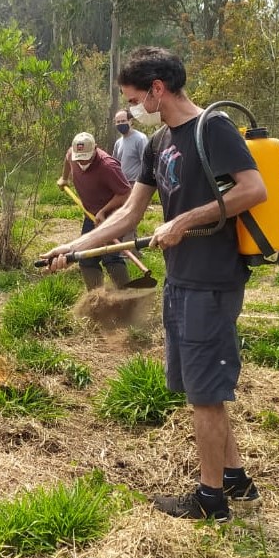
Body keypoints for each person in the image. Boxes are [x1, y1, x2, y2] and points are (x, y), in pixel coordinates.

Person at [42, 46, 266, 521]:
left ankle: (210, 501)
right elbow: (128, 212)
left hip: (212, 278)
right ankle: (234, 478)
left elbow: (254, 189)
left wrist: (184, 220)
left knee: (204, 395)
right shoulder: (158, 142)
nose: (133, 108)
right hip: (181, 279)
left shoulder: (212, 128)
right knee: (199, 386)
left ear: (157, 89)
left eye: (135, 97)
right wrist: (71, 248)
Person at [55, 131, 132, 290]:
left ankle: (127, 299)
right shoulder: (73, 154)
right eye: (79, 158)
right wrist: (64, 178)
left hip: (112, 217)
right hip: (90, 215)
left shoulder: (108, 166)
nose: (82, 161)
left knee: (111, 256)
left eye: (86, 157)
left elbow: (126, 193)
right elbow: (68, 158)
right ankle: (97, 299)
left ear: (95, 149)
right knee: (86, 258)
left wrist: (104, 211)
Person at [112, 109, 149, 184]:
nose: (120, 124)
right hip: (122, 183)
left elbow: (146, 163)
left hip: (136, 183)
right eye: (118, 122)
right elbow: (115, 164)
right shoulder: (118, 143)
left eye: (123, 121)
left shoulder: (140, 139)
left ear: (130, 121)